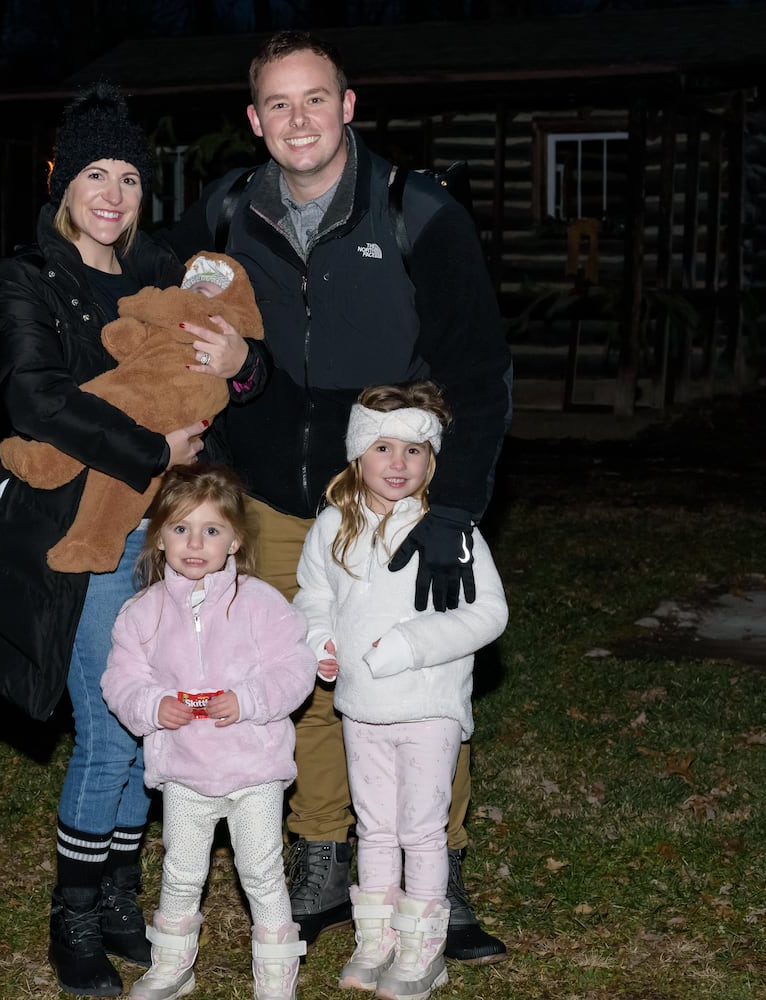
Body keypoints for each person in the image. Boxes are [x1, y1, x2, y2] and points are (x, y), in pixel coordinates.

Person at [166, 30, 514, 962]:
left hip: (394, 495)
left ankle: (442, 863)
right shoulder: (227, 209)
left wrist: (452, 511)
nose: (298, 120)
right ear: (254, 121)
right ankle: (324, 855)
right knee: (303, 676)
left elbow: (479, 372)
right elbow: (168, 321)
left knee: (422, 678)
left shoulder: (416, 210)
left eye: (315, 99)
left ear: (349, 105)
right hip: (274, 492)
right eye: (277, 105)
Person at [0, 83, 261, 997]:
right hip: (81, 540)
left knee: (149, 724)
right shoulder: (25, 278)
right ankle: (76, 915)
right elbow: (34, 400)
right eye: (96, 172)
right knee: (110, 729)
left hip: (174, 540)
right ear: (63, 181)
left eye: (129, 175)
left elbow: (239, 348)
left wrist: (244, 370)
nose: (114, 191)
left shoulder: (159, 270)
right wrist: (148, 447)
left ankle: (123, 899)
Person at [293, 382, 508, 998]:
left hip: (427, 706)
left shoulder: (452, 530)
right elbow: (316, 596)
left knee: (421, 828)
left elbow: (488, 613)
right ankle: (378, 936)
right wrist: (319, 641)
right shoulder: (332, 525)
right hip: (361, 708)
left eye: (414, 451)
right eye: (383, 447)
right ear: (358, 455)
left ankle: (423, 946)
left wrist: (411, 646)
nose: (398, 463)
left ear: (432, 461)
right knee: (376, 826)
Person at [101, 465, 316, 1000]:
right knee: (180, 869)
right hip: (185, 771)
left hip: (254, 768)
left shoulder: (262, 603)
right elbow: (122, 679)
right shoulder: (142, 613)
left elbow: (295, 667)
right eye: (180, 529)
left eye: (211, 530)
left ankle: (275, 970)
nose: (195, 544)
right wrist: (153, 705)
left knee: (261, 870)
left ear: (235, 539)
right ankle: (173, 964)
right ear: (158, 537)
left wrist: (248, 701)